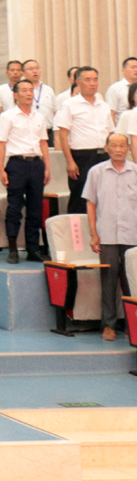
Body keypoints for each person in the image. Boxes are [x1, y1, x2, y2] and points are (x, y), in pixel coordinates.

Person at [84, 134, 137, 341]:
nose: (118, 149)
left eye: (122, 145)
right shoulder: (96, 172)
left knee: (132, 281)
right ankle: (109, 325)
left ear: (129, 148)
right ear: (106, 148)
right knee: (108, 282)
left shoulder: (135, 171)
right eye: (114, 145)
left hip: (132, 235)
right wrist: (93, 234)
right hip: (106, 235)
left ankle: (132, 325)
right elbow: (91, 204)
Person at [0, 79, 52, 263]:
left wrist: (47, 167)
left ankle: (32, 249)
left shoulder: (39, 116)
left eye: (31, 90)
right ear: (15, 95)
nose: (29, 94)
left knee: (35, 209)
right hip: (16, 164)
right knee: (14, 208)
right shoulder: (7, 116)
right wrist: (1, 169)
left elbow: (43, 143)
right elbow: (1, 144)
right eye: (24, 90)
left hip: (36, 164)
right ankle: (12, 249)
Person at [55, 67, 115, 217]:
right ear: (78, 82)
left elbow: (110, 133)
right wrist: (70, 161)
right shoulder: (70, 104)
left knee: (104, 196)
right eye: (88, 80)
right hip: (82, 157)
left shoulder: (104, 105)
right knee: (80, 196)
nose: (92, 83)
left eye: (95, 79)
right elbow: (63, 135)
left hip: (103, 155)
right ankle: (76, 231)